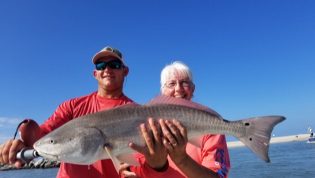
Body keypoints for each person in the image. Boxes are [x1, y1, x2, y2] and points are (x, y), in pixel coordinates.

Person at [0, 46, 133, 178]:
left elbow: (142, 162)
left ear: (125, 71)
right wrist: (23, 143)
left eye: (114, 65)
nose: (107, 69)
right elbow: (44, 134)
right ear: (95, 74)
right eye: (101, 65)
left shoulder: (138, 113)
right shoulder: (72, 106)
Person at [122, 61, 230, 178]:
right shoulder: (146, 126)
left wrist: (182, 160)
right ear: (162, 92)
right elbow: (134, 169)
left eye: (184, 83)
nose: (178, 89)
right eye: (171, 84)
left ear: (192, 89)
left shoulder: (212, 127)